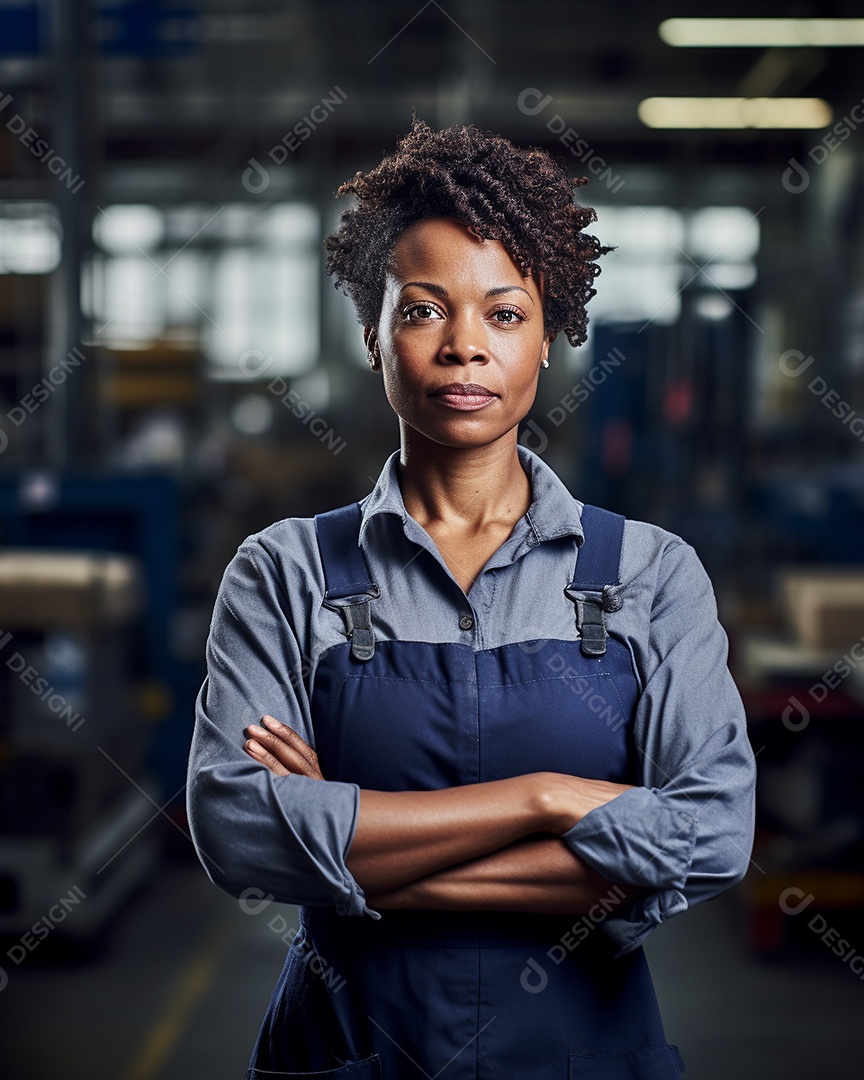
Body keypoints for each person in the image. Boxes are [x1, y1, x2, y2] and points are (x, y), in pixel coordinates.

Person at [187, 118, 757, 1080]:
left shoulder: (650, 575)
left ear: (548, 340)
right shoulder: (283, 573)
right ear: (373, 335)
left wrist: (354, 849)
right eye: (421, 311)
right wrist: (551, 804)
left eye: (503, 313)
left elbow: (709, 833)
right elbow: (238, 828)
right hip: (353, 1047)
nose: (463, 348)